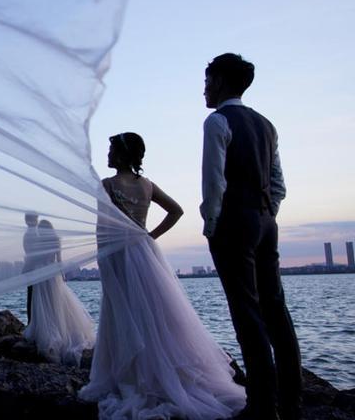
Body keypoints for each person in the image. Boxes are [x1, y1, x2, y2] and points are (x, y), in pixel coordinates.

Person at [79, 132, 245, 420]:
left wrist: (103, 259)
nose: (107, 155)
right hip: (144, 251)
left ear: (121, 154)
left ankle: (134, 377)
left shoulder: (106, 185)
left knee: (123, 313)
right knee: (154, 314)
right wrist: (149, 236)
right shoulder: (147, 185)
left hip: (117, 255)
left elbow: (102, 227)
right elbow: (176, 211)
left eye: (110, 150)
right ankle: (161, 370)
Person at [201, 53, 301, 420]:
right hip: (264, 222)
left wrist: (212, 225)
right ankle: (292, 401)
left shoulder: (217, 121)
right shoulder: (266, 124)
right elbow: (278, 184)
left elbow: (214, 182)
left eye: (208, 80)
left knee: (246, 313)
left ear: (223, 82)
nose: (205, 88)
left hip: (233, 223)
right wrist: (267, 213)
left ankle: (262, 404)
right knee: (275, 309)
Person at [22, 219, 95, 365]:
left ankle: (47, 333)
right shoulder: (56, 240)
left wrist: (25, 271)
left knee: (43, 306)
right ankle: (63, 332)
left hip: (42, 274)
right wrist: (61, 276)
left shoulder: (38, 241)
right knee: (57, 305)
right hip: (53, 275)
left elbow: (33, 260)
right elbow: (59, 260)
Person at [21, 211, 40, 324]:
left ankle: (31, 322)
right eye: (36, 219)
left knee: (32, 296)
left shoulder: (27, 234)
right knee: (33, 297)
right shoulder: (33, 234)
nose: (37, 221)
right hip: (34, 268)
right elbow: (33, 252)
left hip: (30, 267)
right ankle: (32, 322)